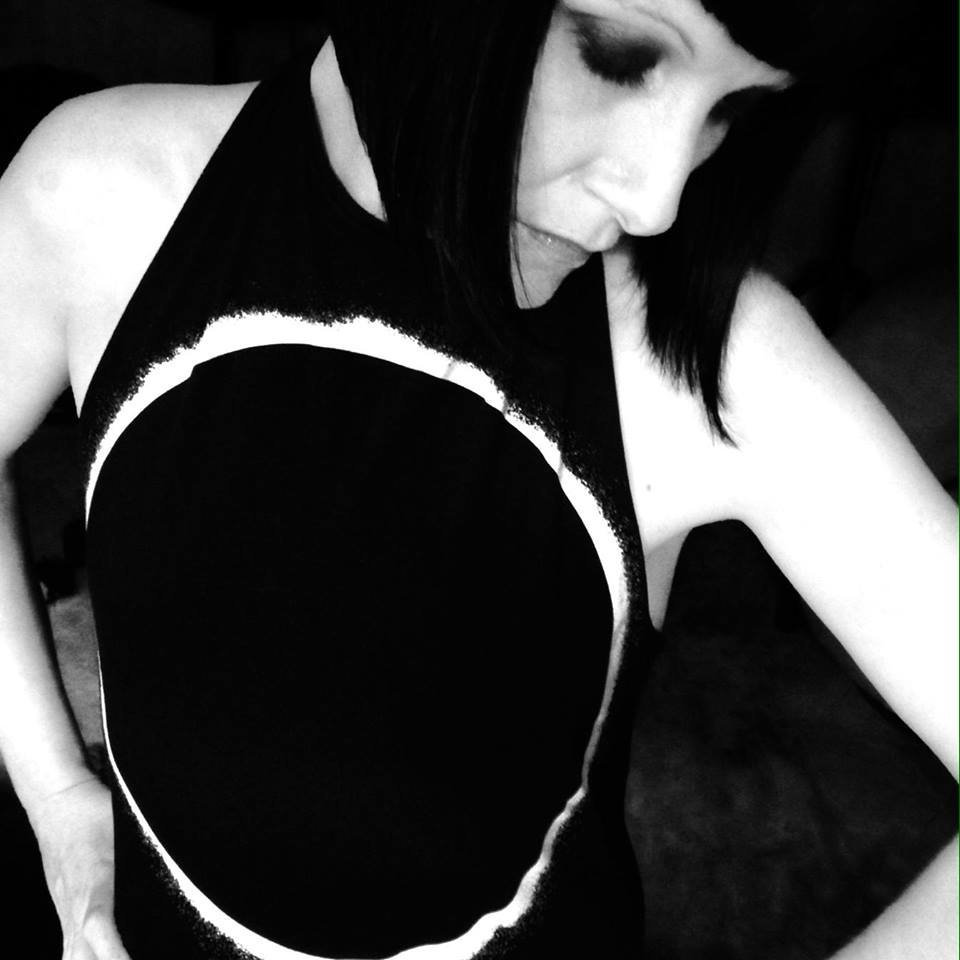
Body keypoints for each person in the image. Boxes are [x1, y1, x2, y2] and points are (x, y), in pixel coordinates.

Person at [0, 0, 955, 957]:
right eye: (614, 58)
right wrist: (55, 793)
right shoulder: (100, 194)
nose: (656, 199)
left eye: (733, 110)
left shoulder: (711, 361)